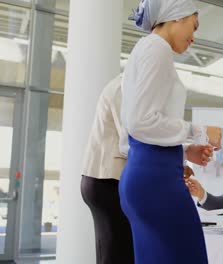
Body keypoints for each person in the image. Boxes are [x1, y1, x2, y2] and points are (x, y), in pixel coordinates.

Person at [118, 1, 222, 263]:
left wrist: (184, 151)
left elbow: (132, 131)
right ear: (178, 16)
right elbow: (140, 122)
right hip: (157, 183)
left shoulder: (144, 49)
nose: (193, 38)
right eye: (194, 26)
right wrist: (199, 132)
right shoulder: (157, 49)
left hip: (142, 176)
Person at [81, 75, 134, 264]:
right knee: (115, 254)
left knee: (117, 252)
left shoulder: (127, 84)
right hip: (107, 181)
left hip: (107, 179)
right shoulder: (125, 87)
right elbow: (131, 140)